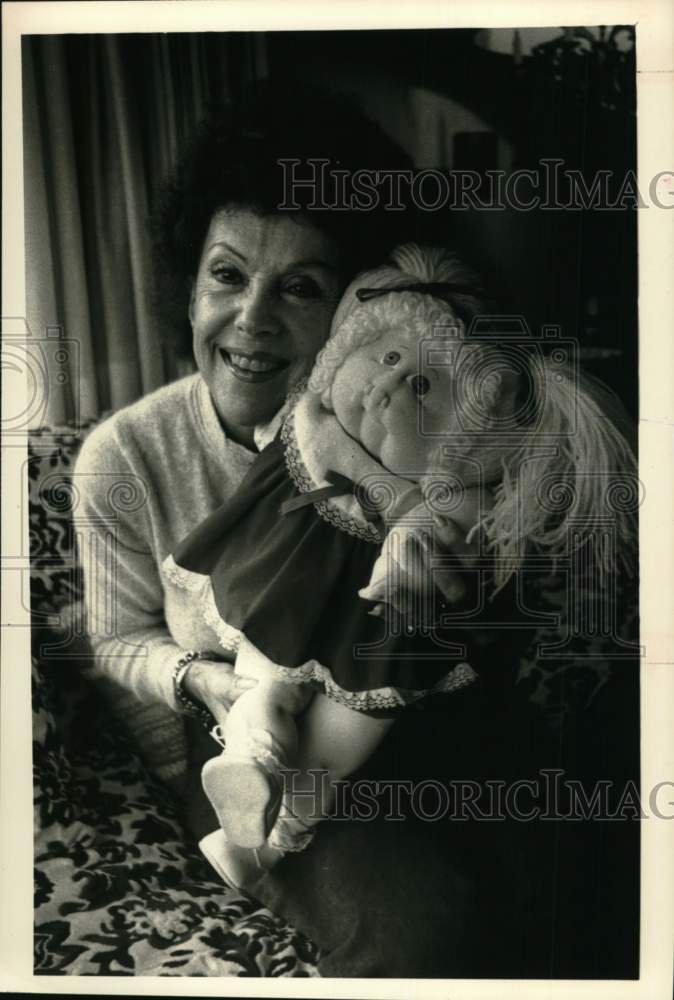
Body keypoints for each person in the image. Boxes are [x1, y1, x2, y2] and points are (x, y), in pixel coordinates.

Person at [163, 242, 637, 890]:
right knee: (262, 691)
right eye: (387, 358)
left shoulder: (463, 499)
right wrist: (398, 501)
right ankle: (249, 763)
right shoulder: (315, 423)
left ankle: (261, 847)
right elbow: (316, 435)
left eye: (422, 386)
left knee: (330, 757)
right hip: (289, 600)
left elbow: (466, 560)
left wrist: (426, 531)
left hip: (384, 643)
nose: (386, 387)